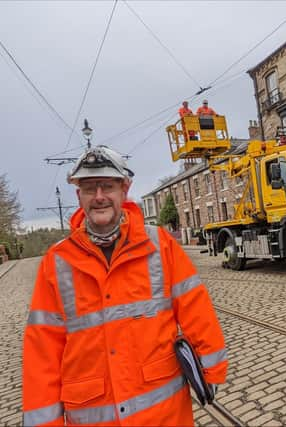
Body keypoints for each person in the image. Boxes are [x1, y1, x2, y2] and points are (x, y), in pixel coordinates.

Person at [22, 145, 228, 426]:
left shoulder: (160, 244)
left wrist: (212, 370)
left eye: (107, 186)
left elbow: (196, 309)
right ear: (78, 195)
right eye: (89, 188)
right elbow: (42, 353)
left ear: (124, 190)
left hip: (163, 415)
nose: (99, 197)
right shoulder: (56, 262)